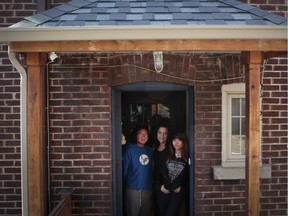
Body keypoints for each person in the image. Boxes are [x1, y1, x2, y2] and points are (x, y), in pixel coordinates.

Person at [123, 128, 153, 216]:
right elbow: (124, 169)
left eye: (146, 134)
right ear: (136, 136)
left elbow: (152, 169)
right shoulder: (130, 149)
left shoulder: (150, 150)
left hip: (147, 188)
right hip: (132, 188)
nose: (143, 136)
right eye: (141, 134)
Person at [157, 133, 190, 216]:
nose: (176, 142)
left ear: (184, 142)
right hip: (165, 192)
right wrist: (160, 187)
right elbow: (159, 174)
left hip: (177, 194)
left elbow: (190, 178)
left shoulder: (187, 158)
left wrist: (182, 189)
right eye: (174, 140)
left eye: (179, 140)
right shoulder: (167, 156)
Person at [153, 125, 170, 216]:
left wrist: (167, 186)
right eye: (160, 132)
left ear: (168, 135)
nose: (162, 136)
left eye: (165, 133)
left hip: (167, 188)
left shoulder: (171, 150)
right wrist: (158, 186)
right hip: (156, 186)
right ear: (156, 134)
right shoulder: (153, 149)